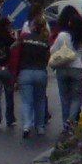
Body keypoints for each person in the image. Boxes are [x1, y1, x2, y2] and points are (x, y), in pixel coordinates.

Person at [50, 7, 82, 129]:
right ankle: (71, 120)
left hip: (62, 69)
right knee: (76, 97)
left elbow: (52, 50)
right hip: (76, 68)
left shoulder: (61, 35)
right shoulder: (81, 37)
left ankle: (65, 124)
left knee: (64, 98)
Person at [15, 9, 52, 140]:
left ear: (33, 27)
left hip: (25, 72)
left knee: (26, 102)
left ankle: (26, 126)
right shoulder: (45, 42)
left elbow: (15, 52)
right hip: (41, 72)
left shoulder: (24, 39)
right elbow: (48, 58)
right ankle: (40, 127)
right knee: (40, 101)